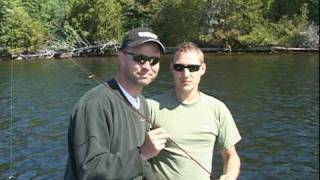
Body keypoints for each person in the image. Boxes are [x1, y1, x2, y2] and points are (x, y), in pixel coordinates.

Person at [64, 27, 171, 180]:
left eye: (154, 60)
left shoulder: (142, 103)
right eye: (140, 58)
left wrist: (144, 156)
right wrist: (143, 153)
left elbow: (142, 164)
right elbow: (90, 171)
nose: (147, 66)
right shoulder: (95, 104)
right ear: (121, 57)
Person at [147, 42, 241, 180]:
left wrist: (229, 175)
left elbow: (231, 155)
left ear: (202, 69)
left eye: (192, 68)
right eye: (179, 67)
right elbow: (131, 155)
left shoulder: (217, 109)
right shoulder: (151, 107)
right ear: (172, 68)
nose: (185, 74)